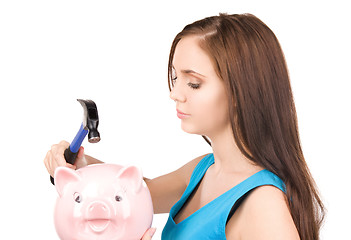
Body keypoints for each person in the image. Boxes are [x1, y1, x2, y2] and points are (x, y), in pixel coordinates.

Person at [44, 13, 325, 239]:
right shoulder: (203, 170)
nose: (175, 94)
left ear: (243, 92)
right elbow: (132, 195)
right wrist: (80, 163)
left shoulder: (262, 205)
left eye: (194, 83)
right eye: (175, 78)